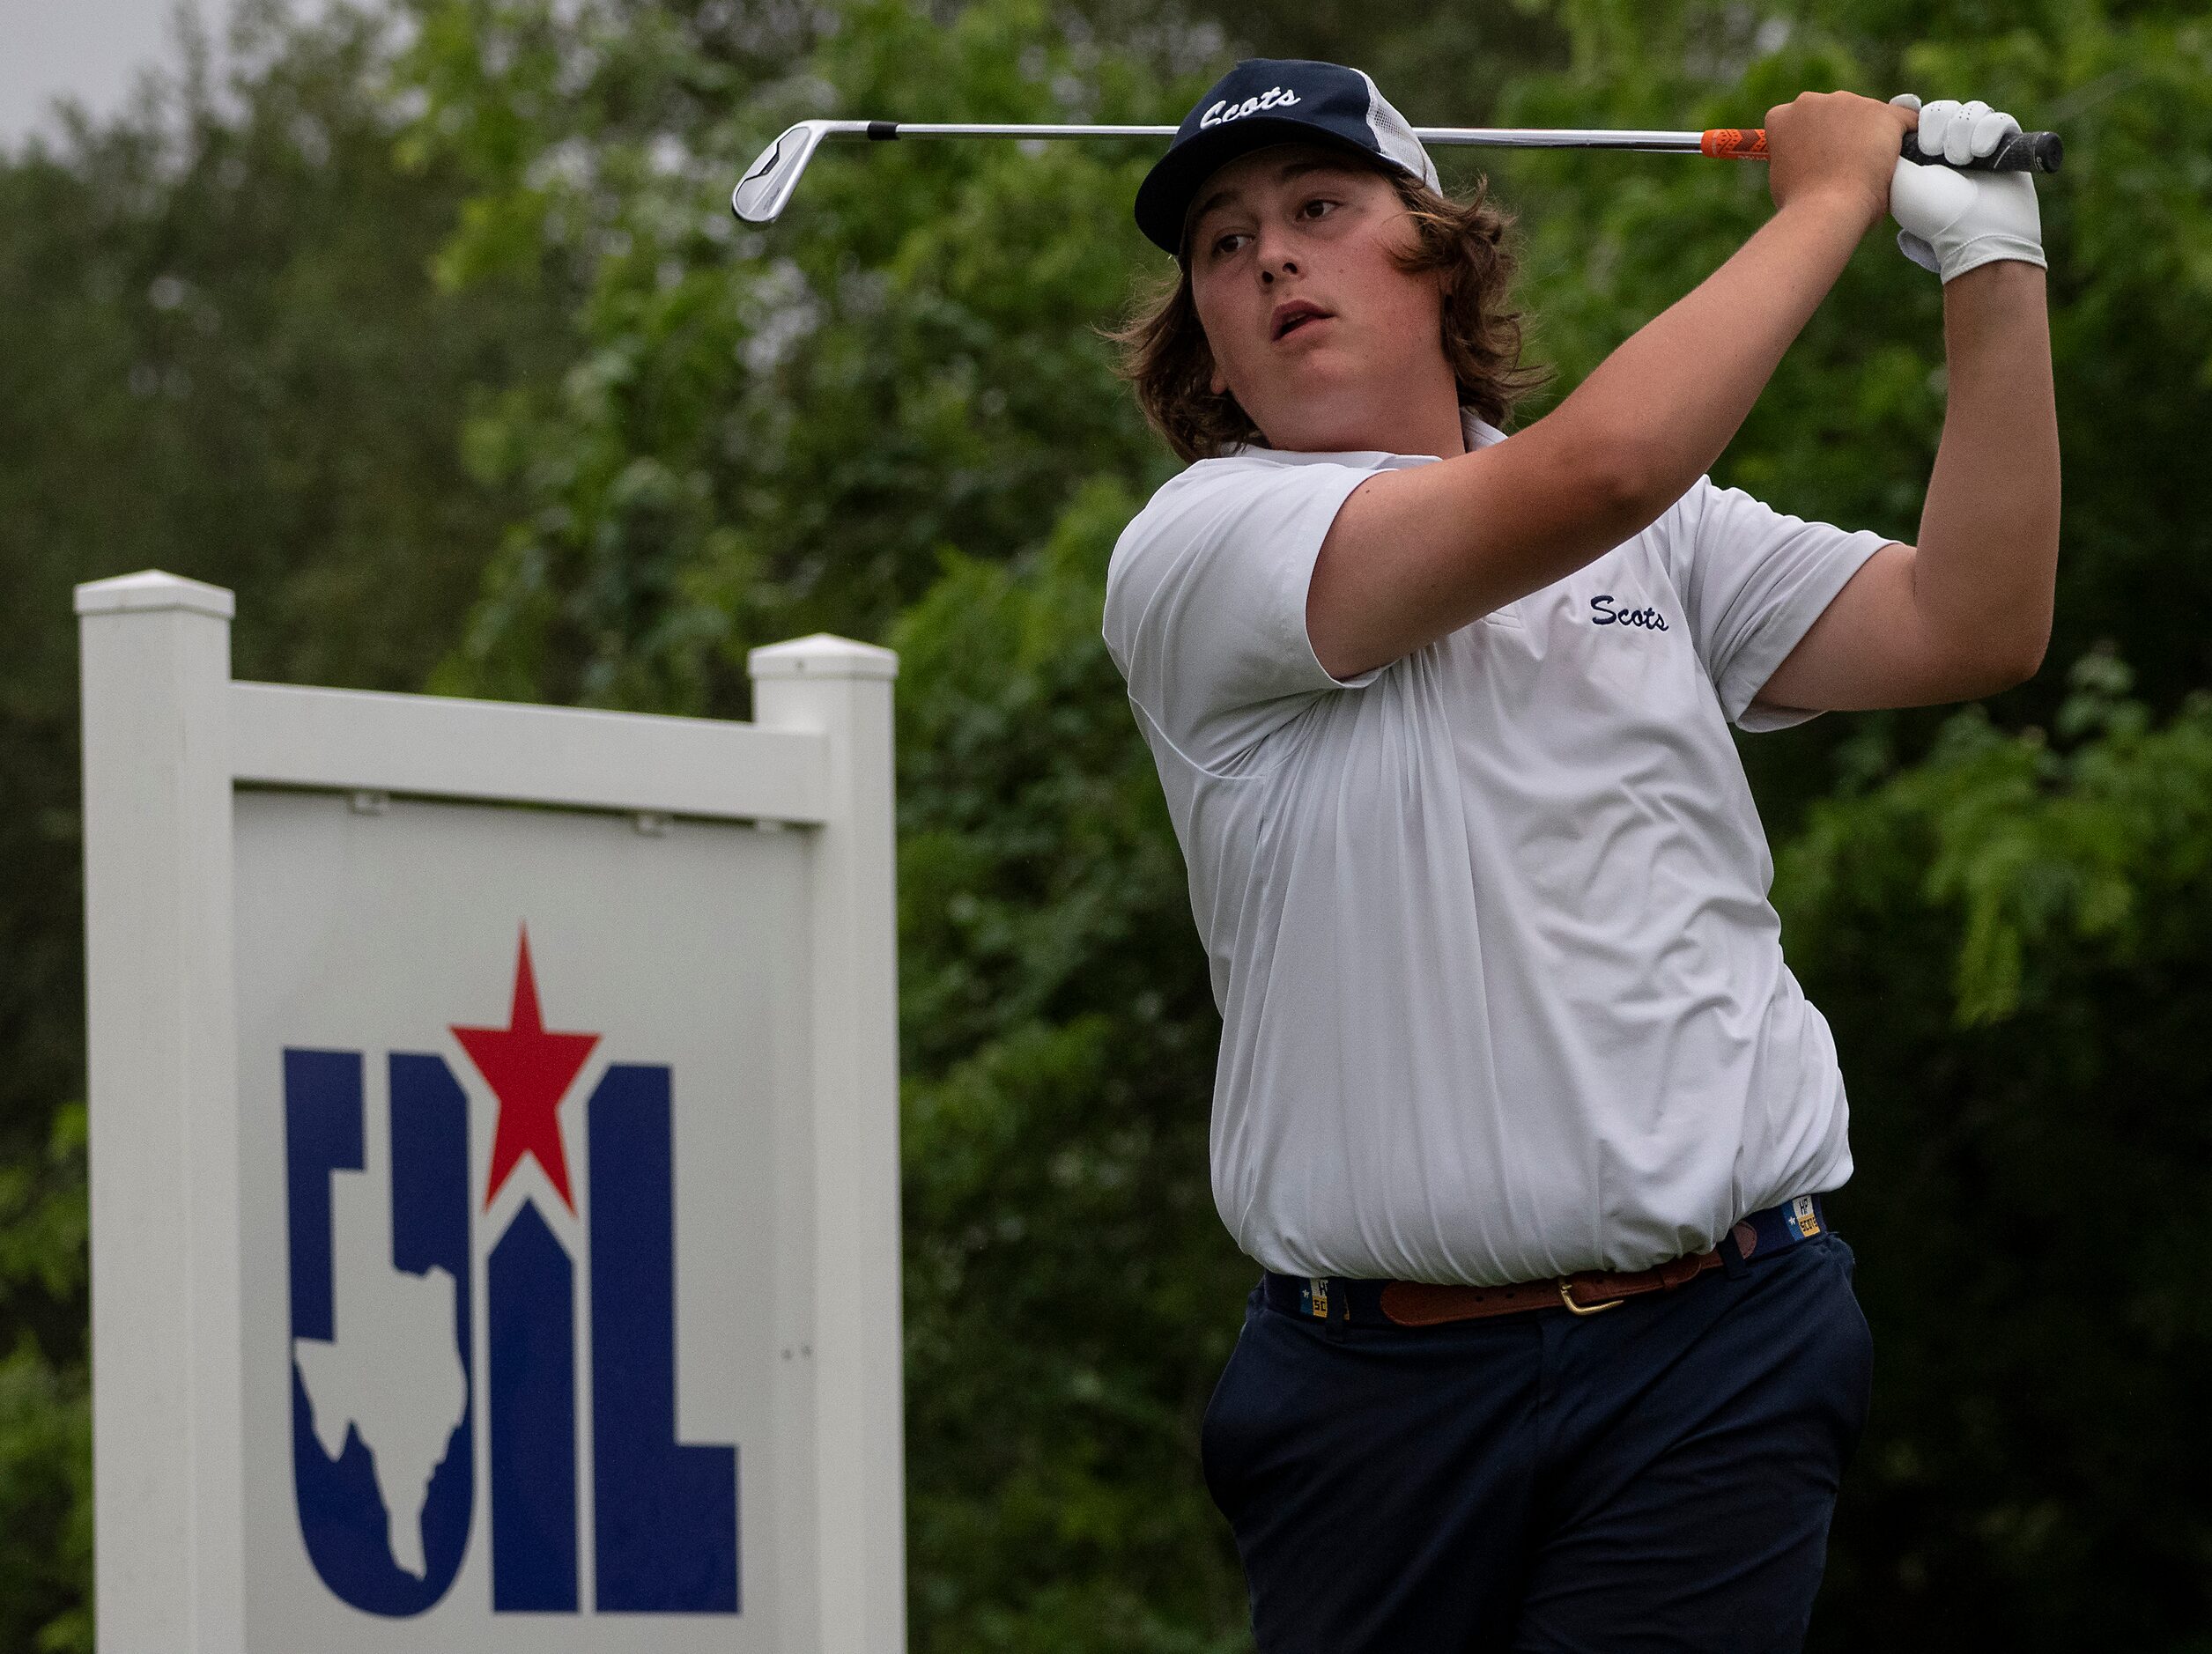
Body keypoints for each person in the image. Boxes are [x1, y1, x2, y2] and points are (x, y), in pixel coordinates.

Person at [1100, 57, 2058, 1652]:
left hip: (1723, 1340)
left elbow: (1973, 620)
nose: (1268, 257)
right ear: (1202, 329)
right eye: (1220, 241)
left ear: (1438, 254)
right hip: (1375, 1397)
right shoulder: (1201, 548)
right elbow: (1599, 468)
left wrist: (1992, 267)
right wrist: (1829, 197)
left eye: (1321, 208)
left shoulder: (1669, 543)